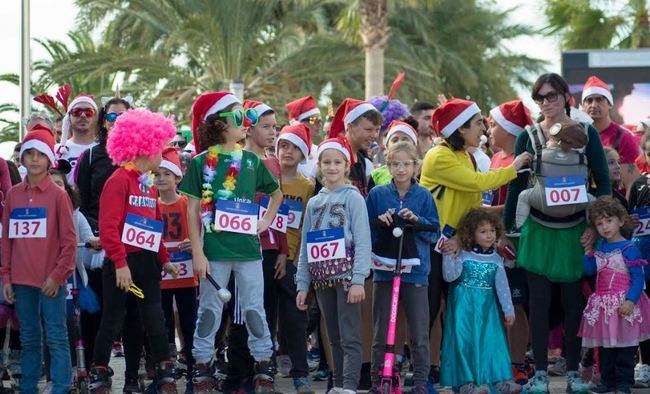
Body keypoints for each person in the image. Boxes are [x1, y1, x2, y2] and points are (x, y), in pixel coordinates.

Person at [503, 73, 611, 393]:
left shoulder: (587, 133)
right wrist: (510, 232)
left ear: (566, 96)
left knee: (572, 304)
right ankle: (538, 374)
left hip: (575, 229)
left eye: (552, 96)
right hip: (537, 228)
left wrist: (596, 226)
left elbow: (602, 182)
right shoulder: (528, 136)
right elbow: (516, 187)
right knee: (538, 303)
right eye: (540, 98)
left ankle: (575, 372)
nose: (546, 103)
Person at [419, 98, 531, 386]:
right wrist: (514, 167)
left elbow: (472, 206)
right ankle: (423, 372)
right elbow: (477, 185)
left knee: (458, 316)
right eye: (479, 121)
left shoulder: (465, 155)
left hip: (457, 245)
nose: (484, 127)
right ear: (460, 128)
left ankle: (464, 376)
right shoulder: (438, 156)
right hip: (431, 244)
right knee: (430, 313)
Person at [180, 92, 283, 393]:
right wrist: (198, 252)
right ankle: (201, 366)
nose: (247, 122)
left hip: (249, 250)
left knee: (254, 308)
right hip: (214, 251)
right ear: (219, 124)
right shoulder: (201, 163)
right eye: (240, 117)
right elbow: (191, 208)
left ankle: (263, 365)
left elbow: (275, 194)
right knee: (210, 309)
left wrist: (265, 222)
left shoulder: (251, 161)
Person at [88, 108, 179, 393]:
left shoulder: (148, 185)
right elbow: (109, 226)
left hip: (146, 266)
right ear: (144, 147)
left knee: (151, 317)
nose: (162, 154)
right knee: (113, 318)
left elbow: (154, 227)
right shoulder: (118, 181)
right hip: (121, 267)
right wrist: (119, 263)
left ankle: (160, 372)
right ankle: (100, 373)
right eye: (159, 148)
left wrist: (164, 260)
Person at [1, 125, 77, 394]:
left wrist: (57, 276)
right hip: (21, 282)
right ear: (22, 158)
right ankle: (29, 387)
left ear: (49, 160)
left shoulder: (58, 196)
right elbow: (7, 241)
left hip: (49, 282)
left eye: (40, 154)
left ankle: (61, 386)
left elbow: (69, 243)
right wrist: (6, 277)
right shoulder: (13, 195)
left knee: (56, 337)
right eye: (29, 153)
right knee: (30, 338)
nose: (33, 158)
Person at [295, 136, 371, 394]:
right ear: (319, 166)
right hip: (321, 277)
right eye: (326, 162)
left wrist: (359, 278)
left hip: (347, 276)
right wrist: (303, 284)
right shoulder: (314, 202)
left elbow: (362, 240)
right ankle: (337, 384)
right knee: (333, 336)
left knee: (350, 335)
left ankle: (349, 385)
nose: (332, 167)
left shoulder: (354, 198)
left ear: (346, 166)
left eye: (337, 162)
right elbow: (306, 246)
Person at [223, 98, 289, 392]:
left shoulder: (274, 162)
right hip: (244, 248)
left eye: (275, 127)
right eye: (266, 126)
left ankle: (264, 370)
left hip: (271, 250)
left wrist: (284, 251)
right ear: (248, 129)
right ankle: (239, 373)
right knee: (241, 312)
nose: (273, 132)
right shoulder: (235, 162)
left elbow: (281, 208)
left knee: (265, 310)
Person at [366, 141, 439, 393]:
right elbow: (366, 232)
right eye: (395, 164)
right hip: (384, 270)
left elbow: (434, 234)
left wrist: (417, 220)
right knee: (381, 330)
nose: (400, 169)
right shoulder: (376, 194)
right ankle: (378, 382)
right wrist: (380, 221)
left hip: (416, 271)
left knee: (419, 332)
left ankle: (420, 382)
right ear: (388, 166)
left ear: (416, 166)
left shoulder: (424, 195)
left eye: (406, 164)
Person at [75, 96, 132, 364]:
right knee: (96, 312)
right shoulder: (89, 157)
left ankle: (135, 373)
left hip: (133, 245)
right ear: (103, 121)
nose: (117, 122)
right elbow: (84, 203)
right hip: (99, 245)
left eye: (123, 116)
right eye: (112, 117)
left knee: (133, 313)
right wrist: (93, 237)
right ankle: (94, 370)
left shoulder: (140, 156)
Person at [441, 208, 521, 394]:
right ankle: (466, 382)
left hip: (488, 307)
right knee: (464, 341)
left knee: (493, 341)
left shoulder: (496, 258)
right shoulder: (463, 253)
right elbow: (450, 277)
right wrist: (449, 256)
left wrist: (508, 310)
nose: (489, 235)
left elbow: (502, 286)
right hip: (463, 306)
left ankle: (499, 379)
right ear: (471, 233)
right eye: (483, 231)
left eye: (492, 231)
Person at [580, 196, 650, 394]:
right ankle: (607, 380)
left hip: (623, 304)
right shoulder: (600, 246)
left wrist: (630, 300)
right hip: (603, 305)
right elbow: (590, 271)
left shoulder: (630, 249)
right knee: (605, 346)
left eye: (609, 221)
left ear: (620, 220)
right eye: (599, 223)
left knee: (625, 347)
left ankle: (623, 382)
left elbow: (638, 278)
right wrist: (587, 251)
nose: (604, 227)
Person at [487, 100, 533, 384]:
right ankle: (506, 359)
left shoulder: (522, 158)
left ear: (509, 129)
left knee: (515, 303)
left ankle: (518, 361)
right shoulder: (496, 158)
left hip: (513, 240)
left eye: (493, 124)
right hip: (491, 240)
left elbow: (513, 206)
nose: (489, 129)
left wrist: (476, 212)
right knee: (500, 303)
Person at [274, 124, 316, 393]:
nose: (288, 152)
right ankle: (264, 370)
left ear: (303, 155)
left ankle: (301, 374)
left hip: (293, 260)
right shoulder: (265, 179)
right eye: (284, 146)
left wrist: (302, 263)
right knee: (264, 316)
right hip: (264, 257)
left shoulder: (307, 187)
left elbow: (306, 228)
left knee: (295, 317)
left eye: (295, 148)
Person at [155, 147, 198, 393]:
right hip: (162, 275)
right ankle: (165, 372)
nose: (161, 178)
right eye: (157, 174)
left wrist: (195, 243)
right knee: (163, 325)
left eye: (166, 174)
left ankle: (192, 370)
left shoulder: (187, 204)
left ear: (177, 177)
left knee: (189, 322)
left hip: (185, 274)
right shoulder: (151, 204)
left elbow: (200, 233)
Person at [513, 121, 595, 229]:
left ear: (558, 141)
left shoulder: (542, 155)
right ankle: (592, 226)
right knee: (592, 200)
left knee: (524, 196)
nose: (547, 143)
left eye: (550, 139)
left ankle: (519, 227)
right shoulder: (580, 157)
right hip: (576, 203)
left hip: (544, 202)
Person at [582, 76, 640, 191]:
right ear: (583, 106)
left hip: (615, 205)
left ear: (610, 105)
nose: (593, 105)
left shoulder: (624, 137)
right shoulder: (577, 135)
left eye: (599, 99)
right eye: (589, 100)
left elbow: (631, 185)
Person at [56, 93, 100, 184]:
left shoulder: (104, 150)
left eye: (89, 112)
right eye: (77, 112)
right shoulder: (57, 150)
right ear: (69, 117)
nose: (83, 115)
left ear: (95, 117)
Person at [368, 119, 419, 189]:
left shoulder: (422, 172)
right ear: (387, 146)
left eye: (405, 140)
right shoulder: (376, 175)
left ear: (414, 146)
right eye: (395, 140)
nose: (399, 143)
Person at [285, 96, 322, 179]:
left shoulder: (320, 151)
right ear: (300, 123)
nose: (320, 124)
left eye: (320, 120)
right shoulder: (286, 152)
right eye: (315, 120)